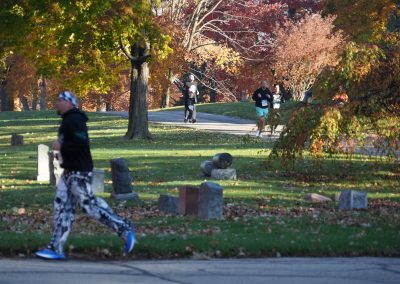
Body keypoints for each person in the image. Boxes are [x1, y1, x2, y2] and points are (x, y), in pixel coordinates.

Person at [35, 91, 135, 260]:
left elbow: (81, 143)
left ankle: (124, 228)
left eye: (60, 100)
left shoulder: (75, 120)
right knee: (62, 208)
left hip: (79, 172)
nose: (57, 103)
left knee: (89, 205)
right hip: (69, 172)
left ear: (70, 103)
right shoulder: (69, 120)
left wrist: (61, 146)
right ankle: (56, 248)